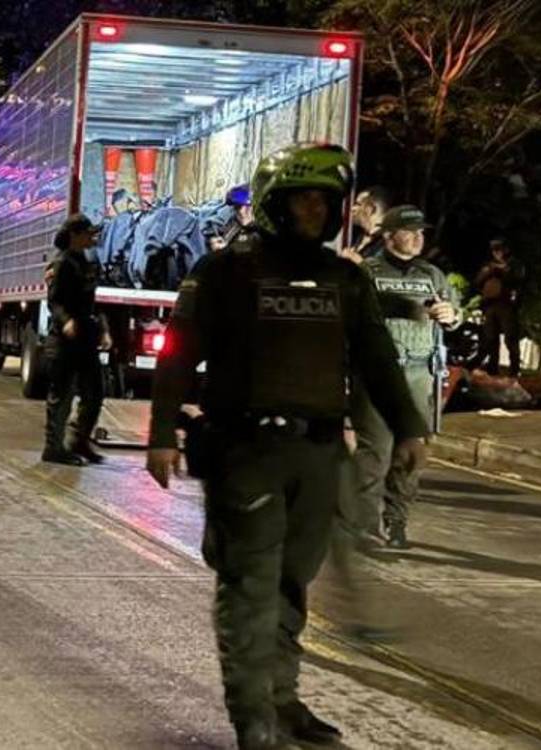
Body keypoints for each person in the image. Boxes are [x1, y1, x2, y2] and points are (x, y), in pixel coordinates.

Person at [146, 144, 428, 750]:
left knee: (292, 584)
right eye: (303, 199)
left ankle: (283, 700)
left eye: (325, 201)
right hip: (245, 451)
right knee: (251, 586)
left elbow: (377, 358)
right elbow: (178, 353)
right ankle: (254, 719)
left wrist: (409, 427)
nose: (315, 210)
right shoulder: (224, 272)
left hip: (318, 454)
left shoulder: (344, 279)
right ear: (275, 204)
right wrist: (161, 433)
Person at [349, 206, 460, 550]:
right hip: (377, 374)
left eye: (421, 232)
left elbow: (454, 314)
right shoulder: (366, 271)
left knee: (410, 456)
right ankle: (364, 527)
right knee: (375, 454)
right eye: (409, 231)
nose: (417, 238)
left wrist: (451, 315)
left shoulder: (432, 275)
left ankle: (396, 521)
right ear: (388, 235)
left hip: (418, 375)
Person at [42, 214, 109, 465]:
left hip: (86, 338)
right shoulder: (62, 263)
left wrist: (104, 329)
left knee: (95, 393)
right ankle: (53, 448)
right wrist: (66, 321)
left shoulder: (87, 262)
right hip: (64, 341)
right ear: (74, 235)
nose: (92, 237)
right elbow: (54, 301)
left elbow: (93, 302)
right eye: (87, 233)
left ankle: (80, 441)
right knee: (62, 395)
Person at [474, 237, 525, 376]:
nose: (496, 253)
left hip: (506, 304)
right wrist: (488, 272)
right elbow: (478, 281)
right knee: (491, 337)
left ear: (505, 250)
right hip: (489, 304)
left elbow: (518, 280)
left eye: (499, 249)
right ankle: (492, 366)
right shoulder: (488, 265)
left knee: (510, 337)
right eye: (494, 250)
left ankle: (515, 368)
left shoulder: (514, 264)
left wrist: (503, 271)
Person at [341, 185, 390, 264]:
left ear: (370, 209)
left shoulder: (391, 242)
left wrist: (360, 263)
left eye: (357, 204)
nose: (352, 208)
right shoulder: (358, 236)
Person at [210, 185, 254, 253]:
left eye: (248, 206)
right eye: (236, 207)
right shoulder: (233, 224)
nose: (241, 212)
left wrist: (227, 251)